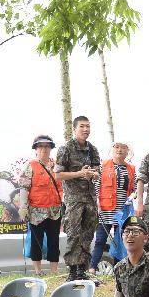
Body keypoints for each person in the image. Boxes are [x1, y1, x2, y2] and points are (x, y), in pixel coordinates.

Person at [55, 116, 101, 281]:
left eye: (88, 126)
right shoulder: (66, 148)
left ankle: (82, 269)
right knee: (74, 234)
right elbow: (58, 174)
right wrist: (79, 173)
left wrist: (92, 174)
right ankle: (73, 272)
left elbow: (98, 172)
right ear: (74, 129)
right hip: (74, 199)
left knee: (87, 235)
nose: (86, 129)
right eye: (82, 126)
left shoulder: (92, 149)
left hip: (90, 198)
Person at [18, 135, 63, 276]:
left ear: (51, 149)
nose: (44, 149)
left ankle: (54, 271)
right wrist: (23, 208)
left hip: (55, 210)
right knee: (36, 242)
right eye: (41, 146)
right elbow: (24, 188)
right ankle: (38, 271)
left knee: (54, 241)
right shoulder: (30, 165)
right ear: (36, 149)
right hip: (36, 211)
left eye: (47, 146)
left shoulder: (57, 166)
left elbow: (63, 186)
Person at [90, 142, 135, 274]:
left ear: (128, 152)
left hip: (123, 210)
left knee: (120, 241)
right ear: (112, 149)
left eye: (123, 148)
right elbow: (96, 186)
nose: (120, 150)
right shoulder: (103, 166)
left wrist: (132, 197)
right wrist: (97, 202)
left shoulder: (131, 168)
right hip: (105, 209)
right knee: (100, 239)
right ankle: (92, 268)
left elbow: (134, 189)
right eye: (117, 147)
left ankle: (118, 269)